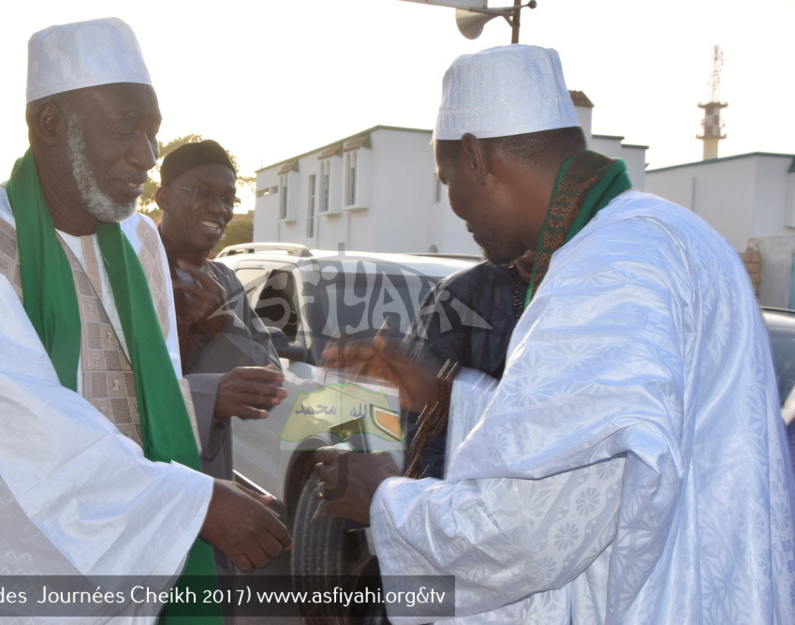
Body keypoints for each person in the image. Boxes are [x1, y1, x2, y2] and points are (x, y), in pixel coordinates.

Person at [315, 44, 795, 623]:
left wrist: (384, 499)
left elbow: (527, 529)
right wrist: (447, 397)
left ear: (478, 158)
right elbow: (604, 450)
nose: (455, 209)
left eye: (446, 179)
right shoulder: (667, 235)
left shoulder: (609, 269)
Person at [0, 17, 289, 623]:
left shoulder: (139, 245)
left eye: (152, 133)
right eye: (125, 128)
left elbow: (140, 406)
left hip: (123, 569)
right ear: (50, 124)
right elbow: (10, 431)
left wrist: (180, 485)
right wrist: (191, 504)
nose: (147, 156)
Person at [156, 140, 287, 604]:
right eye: (202, 192)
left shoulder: (226, 282)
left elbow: (266, 382)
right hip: (147, 487)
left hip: (213, 483)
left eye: (229, 199)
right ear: (163, 196)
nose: (219, 209)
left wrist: (220, 324)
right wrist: (210, 394)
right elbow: (110, 387)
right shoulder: (126, 267)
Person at [402, 251, 531, 479]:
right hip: (468, 492)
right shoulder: (463, 293)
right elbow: (426, 422)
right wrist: (435, 494)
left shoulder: (594, 287)